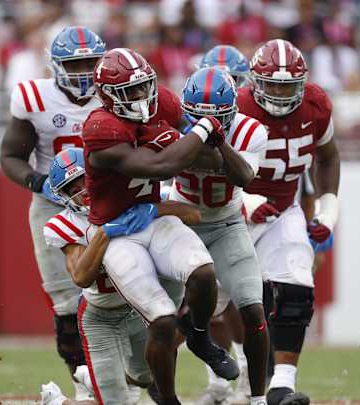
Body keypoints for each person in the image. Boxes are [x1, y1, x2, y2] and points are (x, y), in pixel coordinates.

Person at [82, 47, 238, 405]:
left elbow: (207, 158)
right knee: (163, 319)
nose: (141, 95)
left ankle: (198, 335)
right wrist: (201, 129)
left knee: (203, 273)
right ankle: (168, 399)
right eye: (130, 90)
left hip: (152, 217)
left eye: (144, 86)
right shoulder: (100, 127)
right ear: (107, 95)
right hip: (117, 232)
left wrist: (199, 140)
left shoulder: (163, 103)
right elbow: (161, 167)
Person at [40, 148, 201, 405]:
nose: (82, 192)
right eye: (73, 189)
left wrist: (152, 209)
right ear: (64, 196)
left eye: (84, 180)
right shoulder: (67, 224)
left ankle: (92, 380)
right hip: (100, 316)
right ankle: (61, 401)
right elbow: (81, 277)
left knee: (145, 377)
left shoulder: (130, 197)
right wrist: (105, 233)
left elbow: (194, 214)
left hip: (136, 309)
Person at [0, 26, 105, 401]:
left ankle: (126, 378)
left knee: (123, 292)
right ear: (56, 66)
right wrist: (39, 182)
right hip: (54, 204)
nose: (84, 72)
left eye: (90, 63)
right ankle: (83, 386)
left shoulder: (115, 92)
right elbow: (10, 156)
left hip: (107, 203)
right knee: (66, 305)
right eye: (75, 64)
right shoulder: (34, 98)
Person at [238, 39, 340, 405]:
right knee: (209, 304)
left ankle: (282, 385)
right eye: (273, 85)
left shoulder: (316, 105)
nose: (281, 94)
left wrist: (328, 208)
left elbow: (328, 158)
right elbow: (207, 167)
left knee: (297, 287)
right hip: (227, 214)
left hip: (282, 209)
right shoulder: (237, 107)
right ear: (255, 81)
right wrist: (244, 200)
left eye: (289, 86)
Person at [172, 67, 270, 405]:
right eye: (199, 116)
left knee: (253, 309)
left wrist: (218, 140)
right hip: (182, 221)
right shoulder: (172, 124)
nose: (209, 122)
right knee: (162, 316)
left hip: (226, 223)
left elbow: (244, 176)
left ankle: (257, 399)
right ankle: (153, 390)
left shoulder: (250, 130)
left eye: (217, 116)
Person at [196, 45, 254, 405]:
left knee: (240, 300)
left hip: (242, 214)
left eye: (231, 79)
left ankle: (248, 372)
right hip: (198, 215)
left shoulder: (249, 121)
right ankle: (218, 380)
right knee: (207, 305)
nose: (223, 86)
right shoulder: (191, 114)